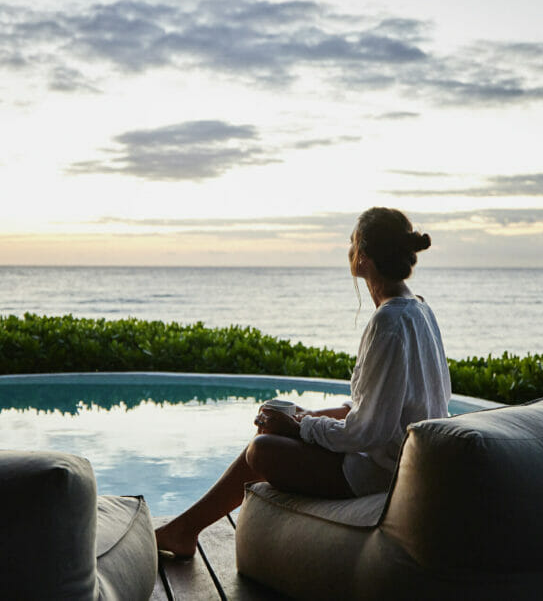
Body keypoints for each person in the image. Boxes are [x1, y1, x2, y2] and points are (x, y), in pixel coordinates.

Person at [154, 207, 452, 560]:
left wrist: (300, 427)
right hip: (392, 460)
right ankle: (185, 530)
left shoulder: (389, 321)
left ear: (363, 255)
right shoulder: (419, 309)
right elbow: (380, 407)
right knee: (273, 427)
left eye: (352, 242)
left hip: (379, 473)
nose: (349, 249)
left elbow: (367, 432)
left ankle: (184, 530)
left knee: (261, 450)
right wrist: (304, 415)